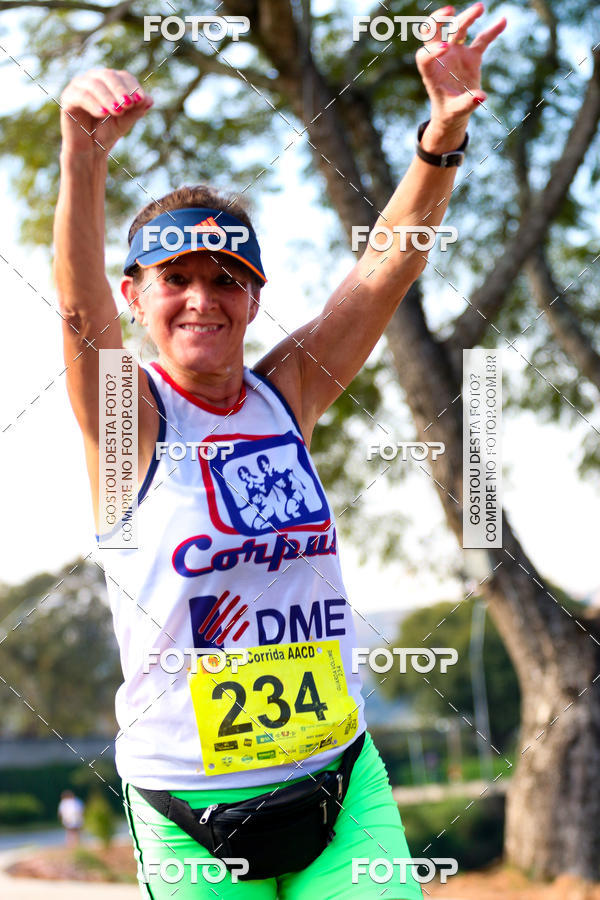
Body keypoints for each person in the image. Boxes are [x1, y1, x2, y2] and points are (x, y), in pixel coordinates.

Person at [53, 4, 505, 897]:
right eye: (174, 279)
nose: (201, 299)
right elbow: (74, 316)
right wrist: (82, 154)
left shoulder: (284, 394)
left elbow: (387, 265)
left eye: (227, 280)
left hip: (340, 784)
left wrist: (440, 139)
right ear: (135, 297)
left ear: (254, 301)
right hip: (189, 811)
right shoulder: (127, 420)